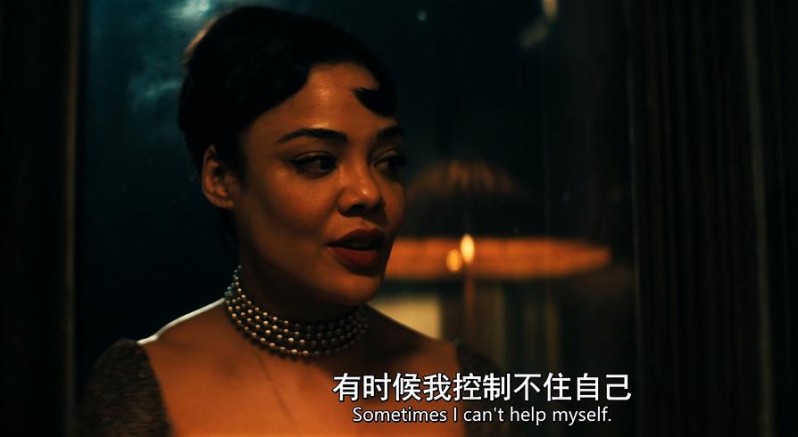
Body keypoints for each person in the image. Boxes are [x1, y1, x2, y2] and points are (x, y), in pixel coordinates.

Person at [79, 6, 504, 436]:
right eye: (317, 161)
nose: (369, 193)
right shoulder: (148, 386)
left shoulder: (465, 383)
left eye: (388, 161)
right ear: (221, 178)